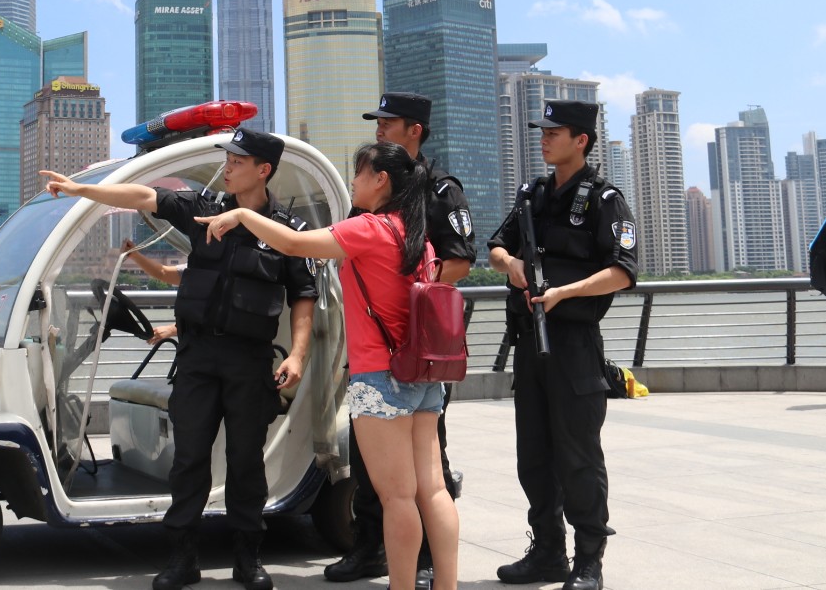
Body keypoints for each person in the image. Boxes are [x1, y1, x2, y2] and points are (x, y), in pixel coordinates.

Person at [40, 126, 318, 590]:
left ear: (263, 170)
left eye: (237, 161)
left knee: (246, 461)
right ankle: (183, 557)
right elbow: (143, 196)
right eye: (227, 159)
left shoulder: (288, 230)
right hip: (197, 356)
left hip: (249, 360)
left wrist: (300, 355)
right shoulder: (203, 208)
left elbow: (303, 296)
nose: (227, 167)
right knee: (188, 459)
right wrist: (82, 190)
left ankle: (247, 558)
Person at [198, 141, 460, 590]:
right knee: (432, 490)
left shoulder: (370, 228)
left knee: (397, 497)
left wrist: (241, 215)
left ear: (381, 180)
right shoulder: (419, 238)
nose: (352, 182)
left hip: (379, 378)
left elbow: (294, 243)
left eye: (358, 173)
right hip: (422, 377)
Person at [486, 100, 637, 590]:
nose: (544, 138)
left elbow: (623, 272)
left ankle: (588, 561)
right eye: (542, 131)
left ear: (581, 140)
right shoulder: (532, 194)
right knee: (533, 456)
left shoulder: (604, 199)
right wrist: (511, 263)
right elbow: (496, 246)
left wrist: (564, 294)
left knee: (578, 457)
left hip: (573, 344)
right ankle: (547, 551)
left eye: (554, 132)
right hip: (530, 343)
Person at [330, 92, 475, 588]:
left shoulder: (439, 190)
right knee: (381, 474)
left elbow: (459, 262)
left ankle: (423, 566)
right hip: (390, 352)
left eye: (388, 123)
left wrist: (406, 290)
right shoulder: (374, 200)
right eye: (377, 122)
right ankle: (370, 548)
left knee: (415, 481)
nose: (379, 128)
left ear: (415, 130)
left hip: (412, 350)